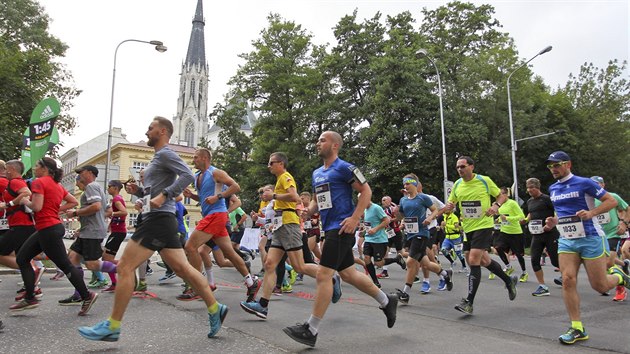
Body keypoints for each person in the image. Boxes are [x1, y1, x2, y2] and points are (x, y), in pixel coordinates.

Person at [78, 116, 227, 341]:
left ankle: (113, 325)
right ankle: (216, 308)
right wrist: (139, 193)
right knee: (183, 269)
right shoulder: (157, 157)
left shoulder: (166, 153)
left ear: (163, 131)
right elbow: (155, 192)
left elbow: (186, 175)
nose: (147, 132)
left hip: (157, 220)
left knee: (125, 267)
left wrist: (164, 195)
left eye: (151, 128)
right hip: (158, 217)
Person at [283, 131, 397, 347]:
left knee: (324, 275)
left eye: (322, 140)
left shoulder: (346, 168)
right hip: (329, 227)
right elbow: (318, 200)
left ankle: (311, 329)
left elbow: (366, 191)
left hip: (342, 227)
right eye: (317, 140)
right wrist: (309, 210)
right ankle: (386, 300)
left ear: (335, 145)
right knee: (349, 274)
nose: (318, 143)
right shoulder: (317, 173)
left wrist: (355, 218)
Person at [543, 151, 630, 344]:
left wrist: (592, 213)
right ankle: (577, 327)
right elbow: (561, 213)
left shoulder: (584, 183)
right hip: (567, 239)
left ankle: (620, 276)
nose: (553, 169)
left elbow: (612, 201)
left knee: (599, 285)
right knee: (567, 279)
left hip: (591, 238)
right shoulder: (553, 188)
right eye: (550, 166)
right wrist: (553, 221)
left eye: (557, 165)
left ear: (568, 164)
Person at [11, 157, 99, 316]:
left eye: (37, 165)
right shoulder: (57, 186)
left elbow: (36, 207)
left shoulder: (39, 182)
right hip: (49, 228)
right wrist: (56, 210)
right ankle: (30, 296)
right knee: (22, 258)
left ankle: (87, 295)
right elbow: (72, 202)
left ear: (45, 169)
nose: (35, 168)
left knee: (65, 265)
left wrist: (24, 201)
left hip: (48, 229)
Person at [240, 152, 319, 318]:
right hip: (279, 226)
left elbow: (295, 197)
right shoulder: (279, 180)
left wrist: (273, 196)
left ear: (281, 163)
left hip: (288, 223)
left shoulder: (285, 176)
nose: (269, 166)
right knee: (269, 264)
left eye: (271, 163)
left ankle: (330, 277)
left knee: (299, 266)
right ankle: (262, 305)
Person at [444, 156, 518, 315]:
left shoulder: (484, 180)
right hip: (468, 228)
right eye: (457, 167)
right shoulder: (457, 184)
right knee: (484, 260)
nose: (460, 170)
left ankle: (469, 302)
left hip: (484, 225)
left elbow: (502, 196)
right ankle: (508, 280)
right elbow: (451, 205)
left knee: (473, 260)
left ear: (471, 166)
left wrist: (496, 206)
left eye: (462, 166)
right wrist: (449, 206)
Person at [182, 148, 257, 302]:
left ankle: (198, 287)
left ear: (204, 158)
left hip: (217, 215)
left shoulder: (215, 172)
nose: (193, 160)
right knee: (229, 254)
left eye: (195, 157)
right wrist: (193, 196)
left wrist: (219, 196)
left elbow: (236, 187)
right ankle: (251, 282)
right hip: (212, 216)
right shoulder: (197, 176)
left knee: (190, 247)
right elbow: (204, 198)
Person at [59, 166, 117, 305]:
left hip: (92, 231)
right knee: (72, 258)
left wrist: (76, 213)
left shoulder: (91, 186)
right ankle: (79, 294)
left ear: (90, 173)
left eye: (81, 173)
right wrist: (92, 217)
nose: (79, 175)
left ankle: (125, 269)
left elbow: (96, 207)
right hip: (88, 230)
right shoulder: (97, 188)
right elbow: (107, 210)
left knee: (92, 264)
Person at [395, 175, 452, 303]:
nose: (405, 187)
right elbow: (404, 215)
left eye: (407, 184)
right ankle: (445, 274)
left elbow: (435, 210)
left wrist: (430, 218)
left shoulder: (423, 198)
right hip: (410, 234)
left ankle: (405, 293)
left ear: (415, 184)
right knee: (425, 264)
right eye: (404, 184)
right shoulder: (403, 200)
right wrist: (402, 222)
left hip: (421, 233)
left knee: (410, 262)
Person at [590, 176, 629, 301]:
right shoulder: (588, 200)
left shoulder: (612, 196)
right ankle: (624, 265)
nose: (595, 186)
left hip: (613, 233)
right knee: (603, 262)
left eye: (597, 184)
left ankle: (620, 287)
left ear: (603, 185)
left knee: (608, 262)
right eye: (592, 184)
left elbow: (627, 209)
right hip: (597, 235)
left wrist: (624, 223)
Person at [522, 177, 559, 296]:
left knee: (555, 260)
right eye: (528, 188)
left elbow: (557, 211)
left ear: (538, 187)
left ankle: (568, 275)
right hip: (537, 234)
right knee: (534, 260)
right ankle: (543, 286)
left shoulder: (547, 199)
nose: (529, 190)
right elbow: (531, 213)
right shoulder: (529, 201)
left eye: (532, 187)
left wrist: (552, 222)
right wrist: (526, 220)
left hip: (550, 233)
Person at [494, 187, 528, 282]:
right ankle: (508, 266)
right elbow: (503, 217)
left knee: (518, 254)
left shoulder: (512, 203)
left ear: (505, 195)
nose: (498, 198)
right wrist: (499, 219)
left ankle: (524, 272)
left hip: (515, 233)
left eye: (500, 195)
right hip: (504, 231)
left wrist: (507, 219)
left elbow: (521, 216)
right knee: (498, 248)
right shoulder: (500, 205)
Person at [101, 180, 128, 292]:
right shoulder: (117, 199)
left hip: (119, 232)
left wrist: (111, 214)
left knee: (107, 259)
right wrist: (110, 226)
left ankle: (127, 269)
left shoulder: (117, 199)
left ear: (115, 188)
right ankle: (115, 282)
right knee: (106, 258)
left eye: (109, 186)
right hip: (116, 232)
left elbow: (124, 212)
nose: (108, 188)